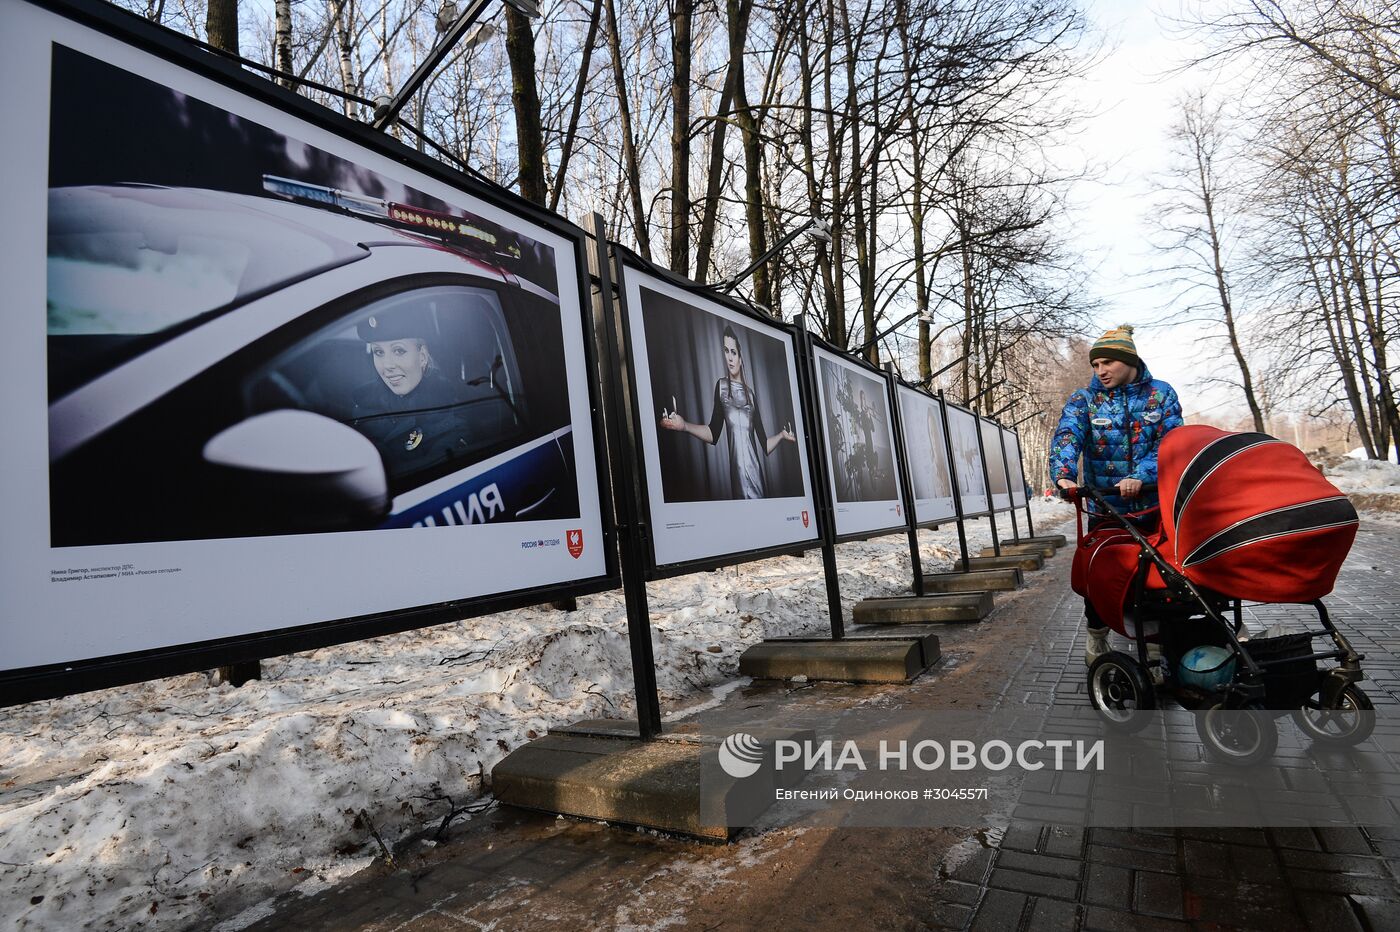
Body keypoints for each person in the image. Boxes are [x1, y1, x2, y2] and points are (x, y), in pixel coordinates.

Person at [1049, 324, 1184, 666]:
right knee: (1101, 574)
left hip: (1154, 505)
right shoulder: (1085, 400)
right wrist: (1064, 477)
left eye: (1108, 362)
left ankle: (1155, 646)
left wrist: (1141, 475)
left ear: (1130, 360)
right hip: (1106, 507)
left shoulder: (1161, 395)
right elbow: (1067, 436)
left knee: (1157, 577)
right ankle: (1097, 636)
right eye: (1096, 365)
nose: (1101, 371)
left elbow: (1171, 443)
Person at [660, 324, 796, 499]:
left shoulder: (752, 396)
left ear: (740, 357)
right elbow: (713, 433)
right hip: (737, 480)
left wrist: (782, 436)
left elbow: (765, 446)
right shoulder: (721, 387)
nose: (730, 357)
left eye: (733, 352)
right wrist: (684, 425)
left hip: (757, 480)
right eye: (726, 351)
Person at [350, 306, 470, 478]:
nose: (387, 365)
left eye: (399, 350)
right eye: (379, 352)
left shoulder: (449, 422)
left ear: (422, 356)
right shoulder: (362, 405)